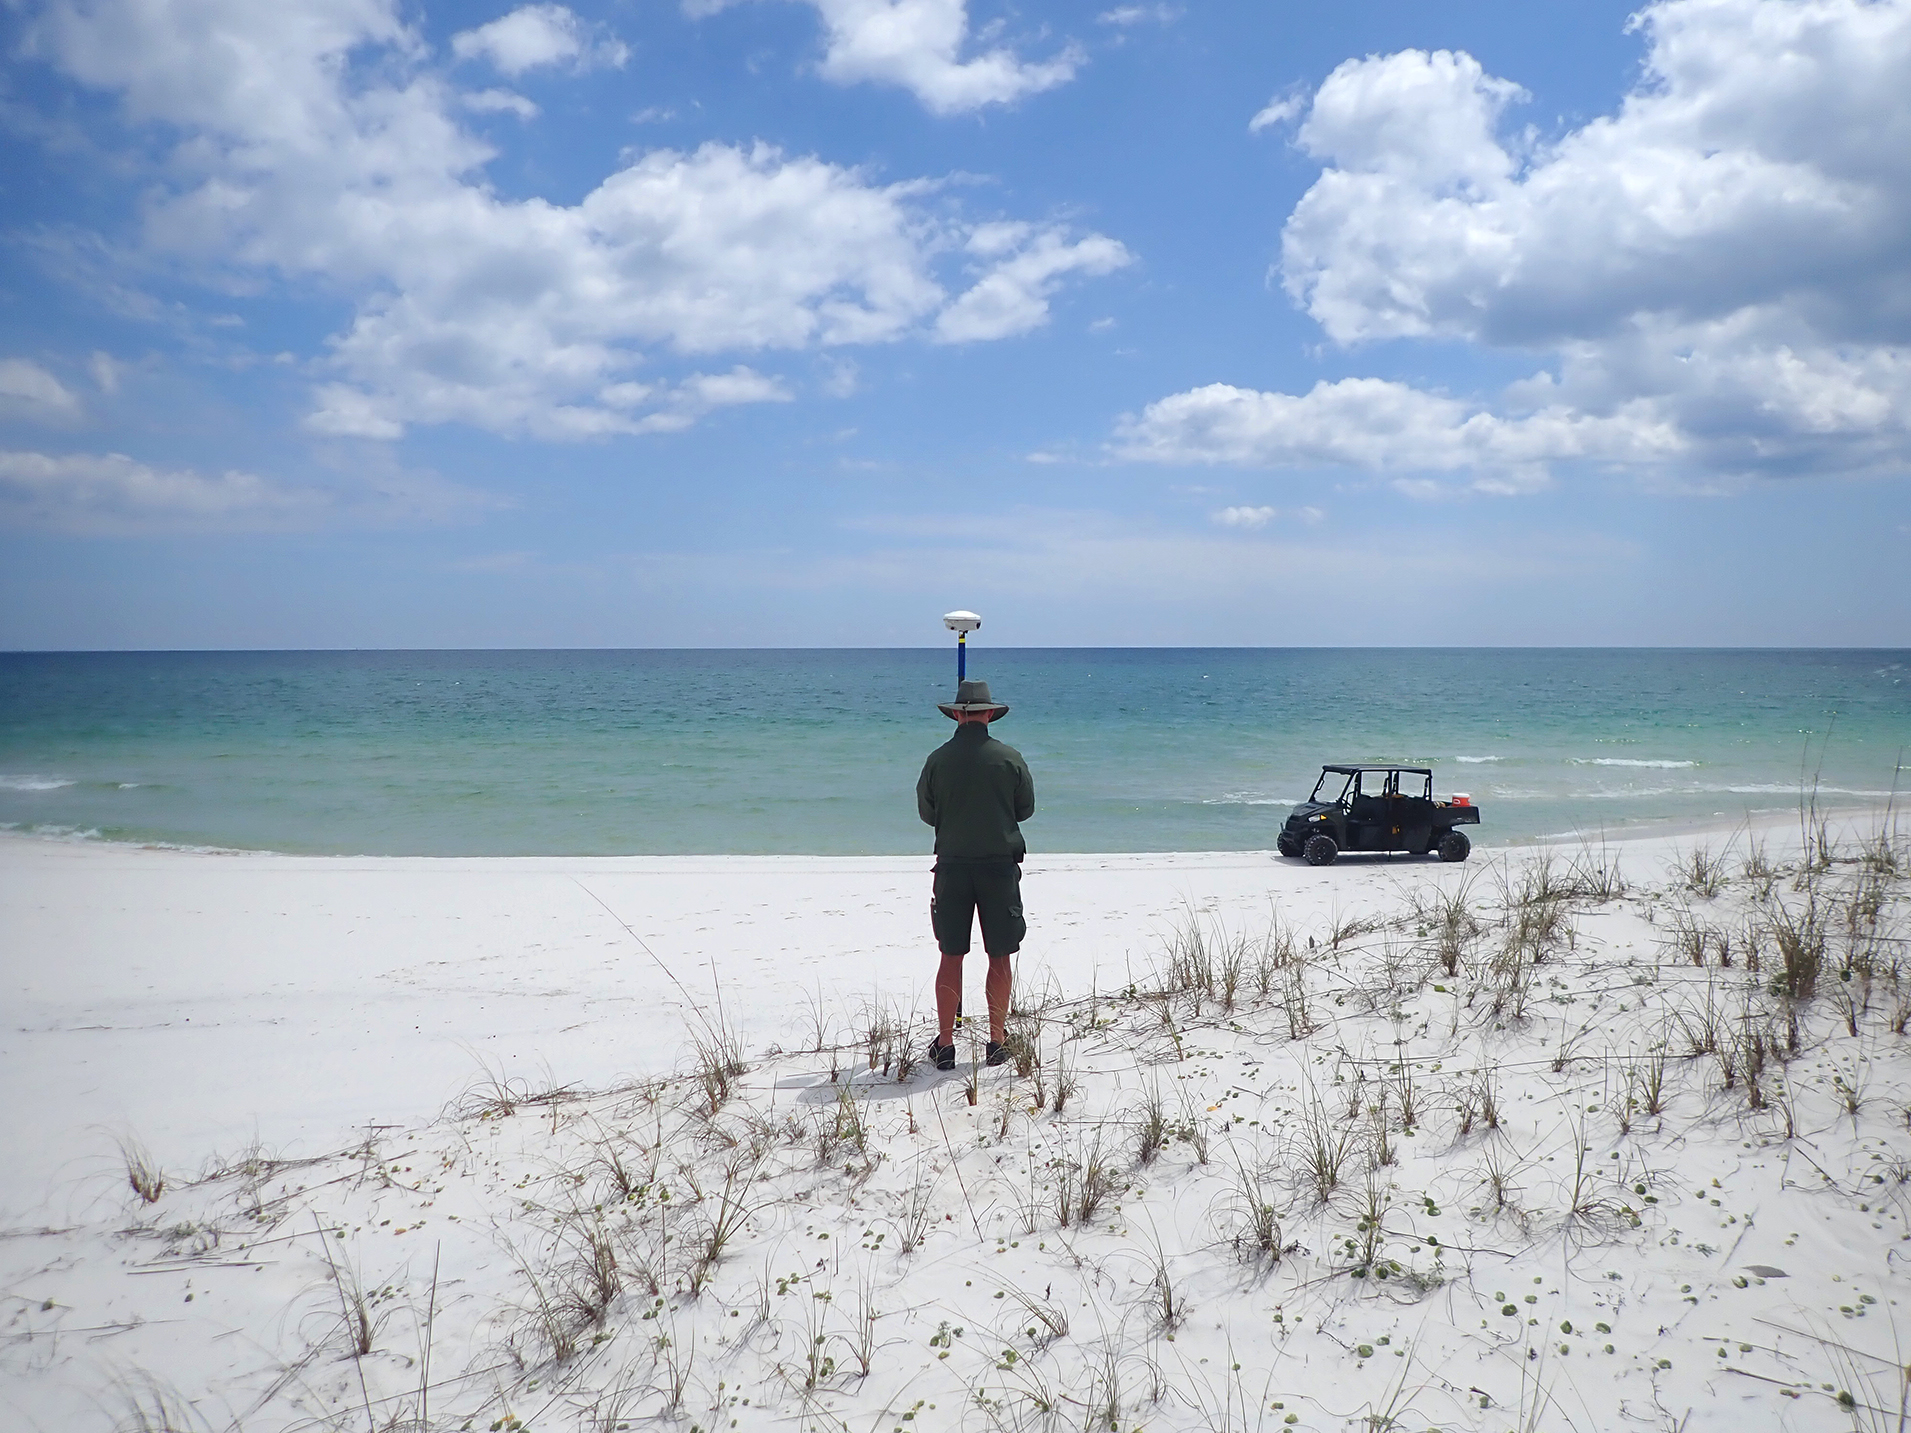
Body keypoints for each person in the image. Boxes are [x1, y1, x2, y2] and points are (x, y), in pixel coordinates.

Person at [916, 678, 1036, 1072]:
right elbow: (1025, 810)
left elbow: (928, 814)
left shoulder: (937, 759)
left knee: (951, 955)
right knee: (999, 955)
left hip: (952, 865)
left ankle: (946, 1043)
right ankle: (997, 1041)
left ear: (955, 714)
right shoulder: (1009, 757)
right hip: (999, 867)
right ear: (988, 715)